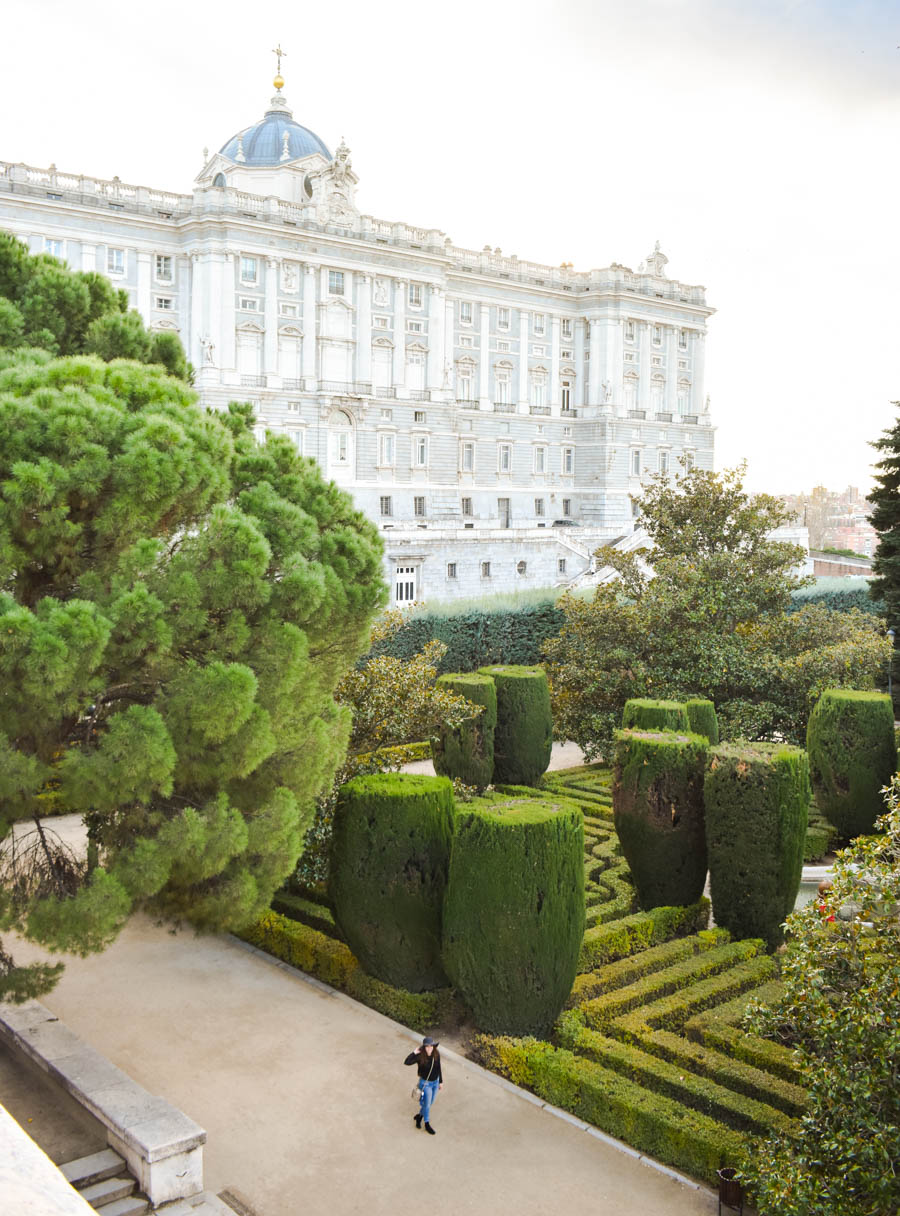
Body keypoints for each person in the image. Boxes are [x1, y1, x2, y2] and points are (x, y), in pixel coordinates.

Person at [404, 1037, 443, 1134]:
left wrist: (441, 1082)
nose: (429, 1048)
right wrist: (414, 1052)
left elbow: (439, 1069)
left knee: (429, 1103)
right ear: (424, 1047)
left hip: (435, 1082)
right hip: (426, 1084)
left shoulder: (436, 1054)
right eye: (427, 1046)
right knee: (428, 1105)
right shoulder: (420, 1057)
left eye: (431, 1046)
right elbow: (407, 1062)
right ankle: (427, 1124)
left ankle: (419, 1116)